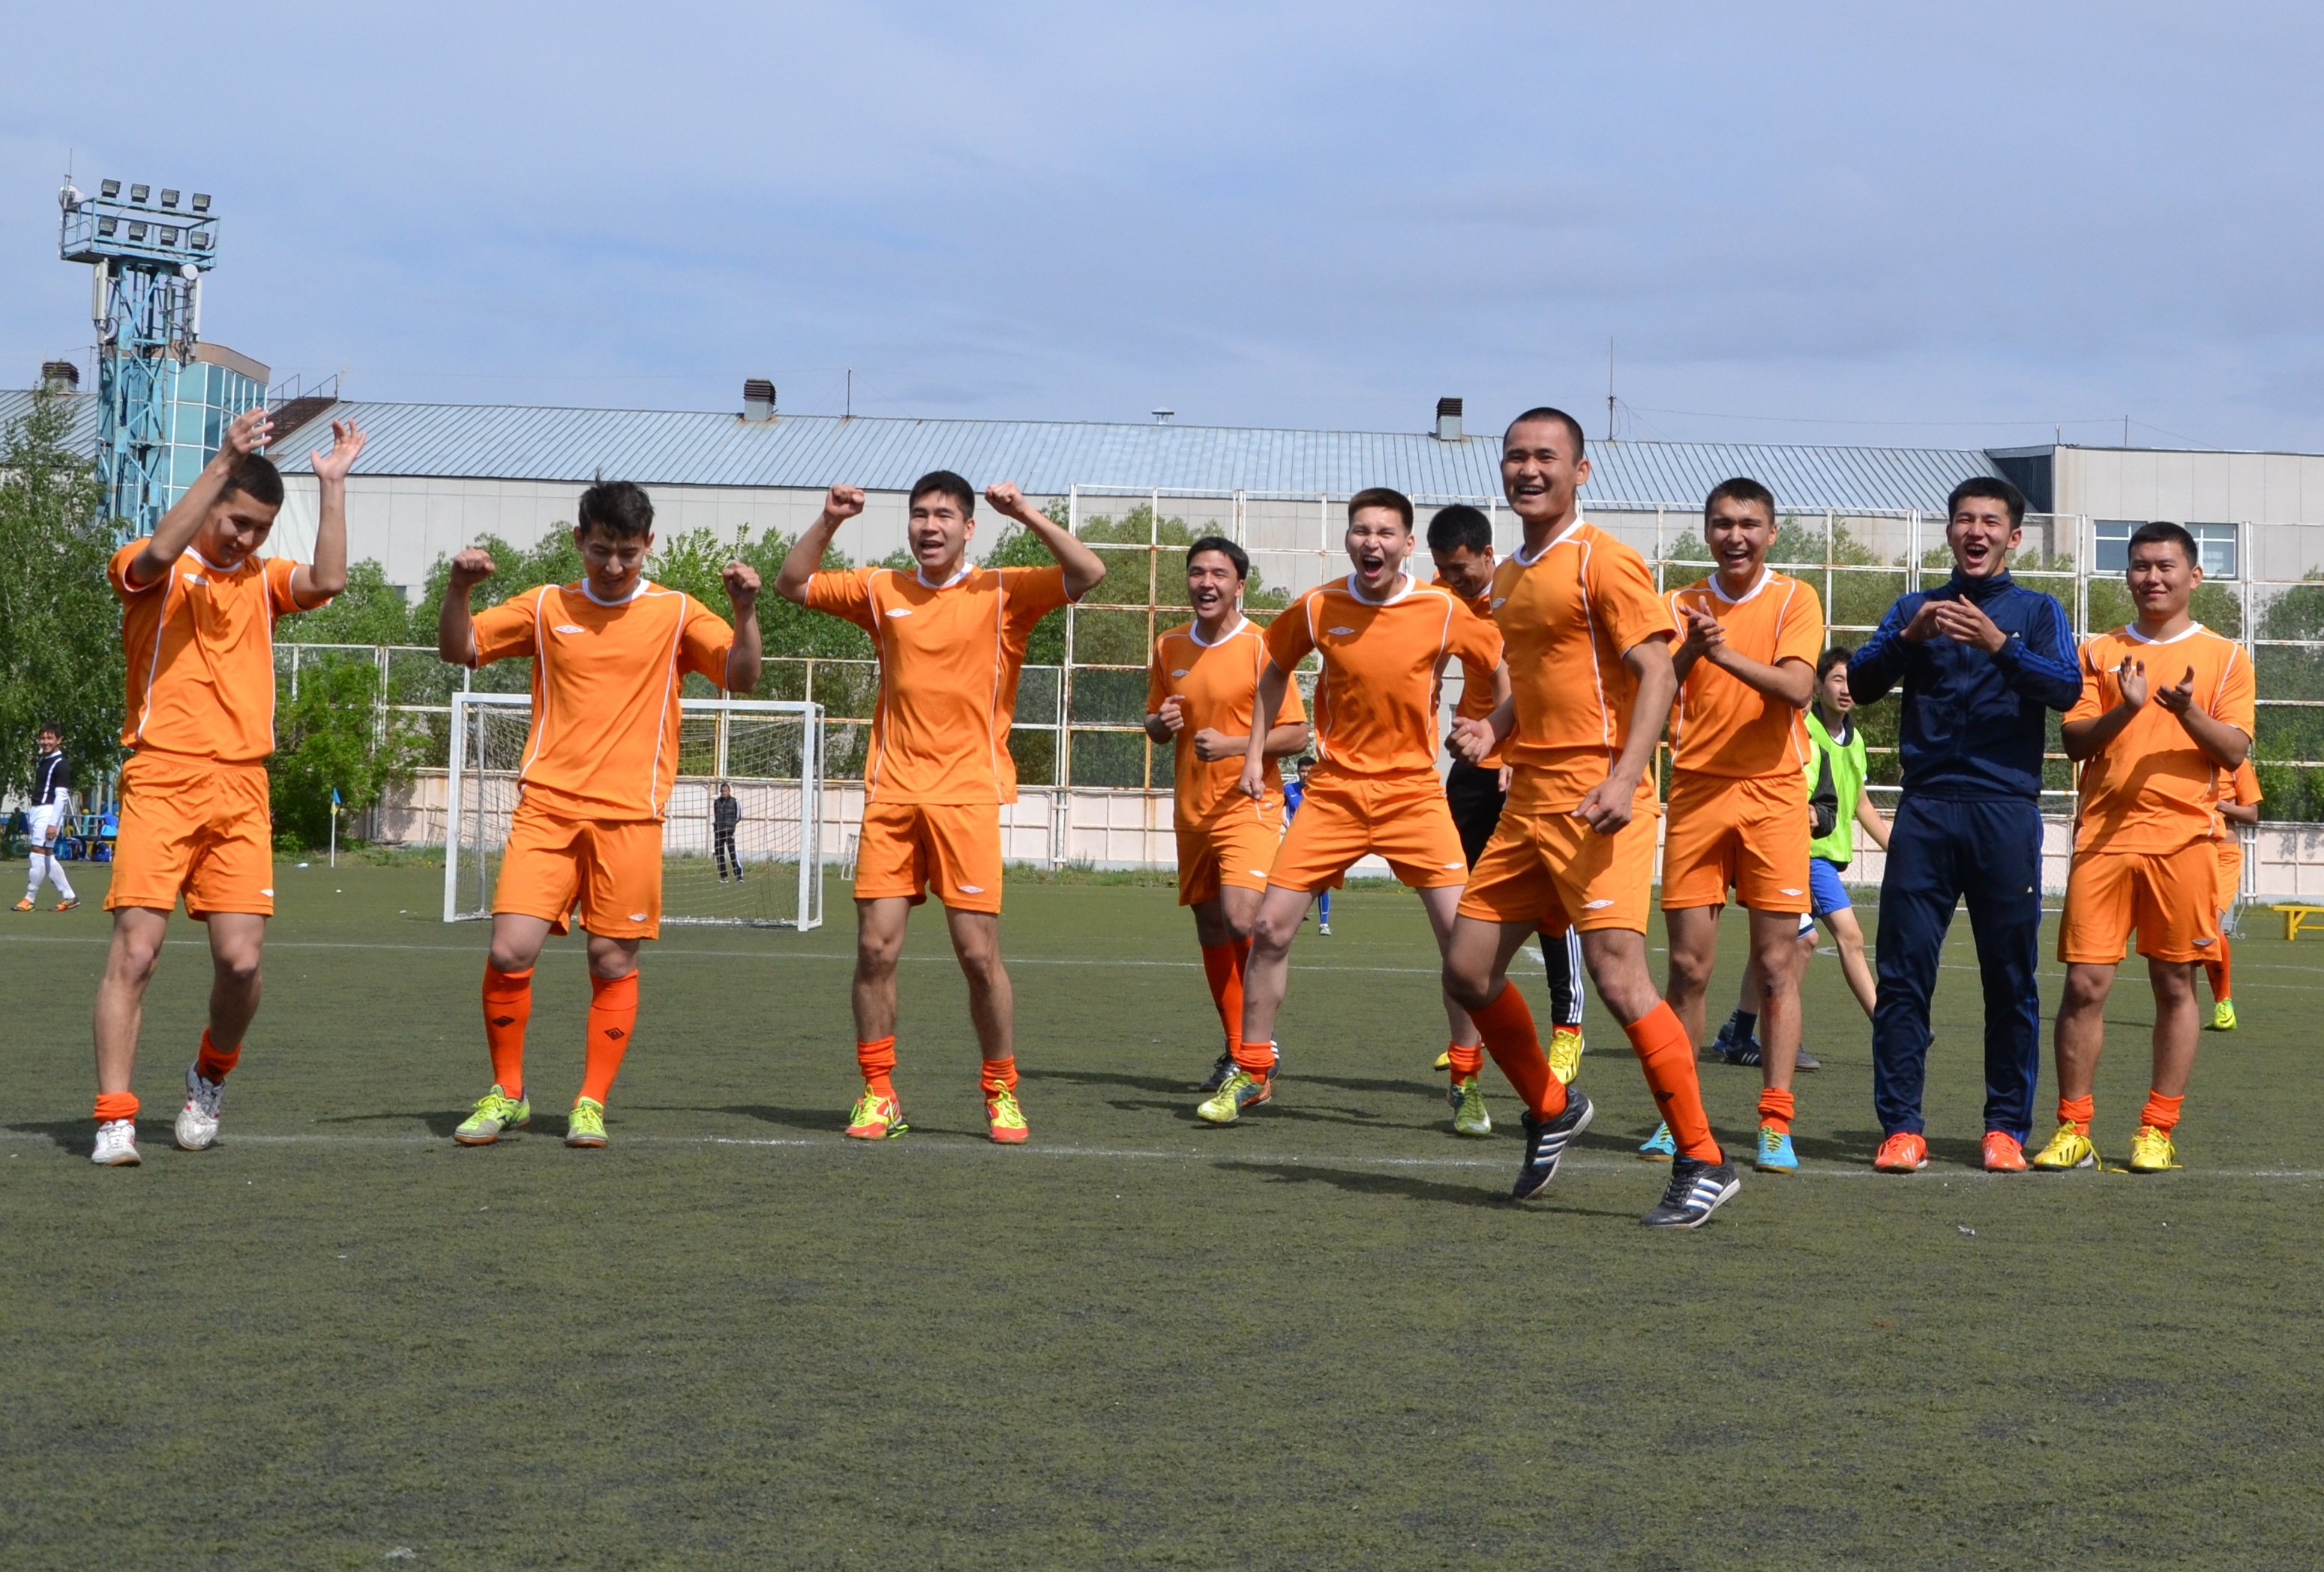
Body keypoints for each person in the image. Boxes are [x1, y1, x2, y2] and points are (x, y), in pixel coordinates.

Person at [1441, 407, 1739, 1227]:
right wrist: (1493, 728)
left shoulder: (1604, 559)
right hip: (1529, 796)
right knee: (1467, 969)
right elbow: (1539, 675)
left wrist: (1625, 776)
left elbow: (1657, 673)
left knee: (1617, 976)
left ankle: (1703, 1157)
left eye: (1546, 455)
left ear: (1580, 470)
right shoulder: (1508, 574)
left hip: (1599, 796)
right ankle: (1551, 1106)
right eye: (1515, 456)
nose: (1528, 468)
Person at [777, 474, 1105, 1143]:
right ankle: (878, 1095)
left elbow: (1088, 572)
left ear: (968, 528)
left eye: (945, 516)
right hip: (893, 793)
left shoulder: (1004, 590)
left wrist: (1025, 512)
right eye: (920, 515)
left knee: (978, 955)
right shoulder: (880, 589)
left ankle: (1000, 1090)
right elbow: (793, 582)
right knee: (874, 949)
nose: (930, 526)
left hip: (967, 795)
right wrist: (830, 519)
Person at [439, 480, 762, 1150]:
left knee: (611, 960)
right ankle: (508, 1093)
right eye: (600, 551)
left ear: (648, 545)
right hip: (546, 808)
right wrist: (458, 590)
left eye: (627, 553)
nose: (613, 566)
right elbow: (458, 648)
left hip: (630, 817)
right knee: (508, 950)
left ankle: (589, 1104)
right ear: (578, 541)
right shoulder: (545, 605)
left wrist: (745, 611)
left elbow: (741, 675)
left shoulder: (677, 612)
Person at [88, 410, 361, 1167]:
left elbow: (330, 580)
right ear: (212, 503)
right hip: (161, 777)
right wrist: (220, 462)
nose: (247, 539)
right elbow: (156, 553)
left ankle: (209, 1075)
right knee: (137, 952)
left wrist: (332, 485)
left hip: (241, 787)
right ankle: (115, 1117)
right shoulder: (153, 568)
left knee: (241, 963)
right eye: (238, 521)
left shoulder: (262, 582)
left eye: (260, 529)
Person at [1197, 487, 1504, 1133]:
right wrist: (1253, 755)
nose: (1372, 542)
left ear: (1407, 544)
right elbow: (1272, 670)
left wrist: (1499, 741)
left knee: (1462, 945)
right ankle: (1251, 1072)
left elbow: (1500, 669)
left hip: (1413, 794)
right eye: (1362, 531)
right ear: (1348, 540)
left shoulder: (1441, 608)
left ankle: (1466, 1080)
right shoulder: (1318, 606)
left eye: (1386, 533)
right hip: (1333, 793)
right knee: (1270, 929)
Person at [1847, 476, 2080, 1174]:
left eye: (1990, 522)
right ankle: (1901, 1128)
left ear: (2013, 537)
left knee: (2009, 979)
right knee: (1902, 976)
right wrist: (1907, 641)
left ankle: (2004, 1128)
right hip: (1924, 811)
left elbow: (2067, 689)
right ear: (1949, 531)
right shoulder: (1914, 608)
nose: (1975, 532)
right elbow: (1857, 685)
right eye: (1963, 520)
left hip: (2004, 812)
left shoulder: (2036, 610)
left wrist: (2000, 645)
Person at [2037, 522, 2254, 1174]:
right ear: (2126, 575)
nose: (2151, 577)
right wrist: (2127, 710)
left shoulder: (2226, 656)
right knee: (2083, 985)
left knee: (2173, 983)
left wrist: (2185, 711)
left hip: (2184, 842)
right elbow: (2073, 742)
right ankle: (2073, 1127)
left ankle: (2156, 1129)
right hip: (2103, 839)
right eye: (2139, 566)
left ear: (2194, 575)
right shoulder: (2098, 651)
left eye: (2164, 565)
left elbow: (2234, 751)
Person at [1638, 478, 1823, 1175]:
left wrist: (1718, 654)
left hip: (1773, 795)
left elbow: (1798, 688)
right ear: (1706, 531)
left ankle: (1774, 1120)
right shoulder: (1676, 604)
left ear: (1771, 532)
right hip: (1695, 793)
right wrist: (1691, 649)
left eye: (1748, 524)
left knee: (1775, 967)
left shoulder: (1794, 597)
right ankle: (1679, 1120)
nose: (1734, 536)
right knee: (1687, 969)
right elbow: (1653, 687)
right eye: (1721, 524)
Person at [1426, 504, 1588, 1086]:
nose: (1454, 580)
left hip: (1530, 762)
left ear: (1488, 555)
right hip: (1473, 764)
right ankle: (1473, 1033)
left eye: (1462, 570)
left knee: (1550, 904)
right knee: (1470, 903)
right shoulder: (1440, 599)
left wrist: (1518, 752)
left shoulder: (1521, 591)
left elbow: (1537, 677)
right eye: (1445, 570)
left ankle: (1567, 1030)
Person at [1146, 536, 1312, 1094]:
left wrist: (1237, 747)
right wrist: (1159, 724)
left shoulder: (1264, 646)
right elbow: (1153, 722)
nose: (1206, 583)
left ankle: (1260, 1045)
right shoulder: (1168, 645)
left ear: (1239, 585)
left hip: (1248, 803)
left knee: (1242, 918)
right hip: (1192, 811)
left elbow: (1296, 734)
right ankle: (1240, 1053)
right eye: (1197, 572)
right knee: (1211, 926)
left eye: (1219, 574)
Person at [1699, 645, 1888, 1066]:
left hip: (1822, 856)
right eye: (1837, 679)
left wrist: (1898, 850)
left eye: (1852, 681)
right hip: (1802, 855)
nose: (1846, 689)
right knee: (1829, 939)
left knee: (1777, 946)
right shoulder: (1803, 731)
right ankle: (1885, 1028)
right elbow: (1790, 795)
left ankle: (1740, 1030)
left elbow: (1860, 802)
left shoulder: (1855, 740)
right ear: (1818, 685)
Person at [2204, 758, 2261, 1030]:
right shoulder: (2186, 757)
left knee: (2210, 926)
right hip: (2187, 855)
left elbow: (2252, 815)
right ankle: (2182, 1008)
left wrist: (2221, 805)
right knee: (2190, 930)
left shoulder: (2237, 763)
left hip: (2223, 856)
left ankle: (2224, 1002)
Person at [19, 724, 79, 912]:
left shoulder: (61, 765)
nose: (45, 742)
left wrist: (53, 823)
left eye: (50, 738)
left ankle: (29, 899)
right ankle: (69, 896)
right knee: (47, 855)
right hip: (38, 810)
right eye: (43, 738)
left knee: (37, 851)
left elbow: (61, 796)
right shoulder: (43, 760)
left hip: (48, 810)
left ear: (59, 740)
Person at [1283, 757, 1329, 934]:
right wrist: (1280, 819)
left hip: (1318, 843)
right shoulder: (1288, 790)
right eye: (1302, 771)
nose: (1306, 774)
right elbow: (1273, 805)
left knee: (1322, 883)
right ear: (1297, 772)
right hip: (1295, 844)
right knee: (1289, 882)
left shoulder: (1323, 791)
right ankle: (1294, 916)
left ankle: (1324, 923)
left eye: (1309, 771)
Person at [713, 782, 743, 883]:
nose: (723, 792)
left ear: (729, 791)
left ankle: (739, 876)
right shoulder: (717, 802)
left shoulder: (735, 801)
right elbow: (716, 815)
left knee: (732, 854)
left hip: (729, 832)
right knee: (719, 854)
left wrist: (731, 825)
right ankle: (724, 877)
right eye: (722, 791)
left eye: (725, 791)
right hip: (718, 832)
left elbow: (738, 816)